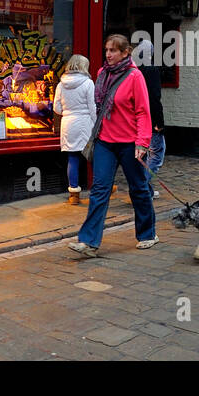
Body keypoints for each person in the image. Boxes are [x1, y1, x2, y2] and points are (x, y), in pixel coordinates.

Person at [68, 34, 157, 256]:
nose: (108, 54)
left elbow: (143, 112)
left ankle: (147, 234)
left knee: (138, 189)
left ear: (126, 52)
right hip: (105, 141)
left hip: (129, 143)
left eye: (113, 51)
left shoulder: (135, 77)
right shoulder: (101, 74)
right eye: (106, 50)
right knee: (99, 190)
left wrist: (142, 142)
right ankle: (88, 242)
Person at [54, 54, 96, 206]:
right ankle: (102, 187)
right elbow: (92, 107)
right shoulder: (88, 83)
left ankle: (74, 195)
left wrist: (68, 111)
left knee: (72, 158)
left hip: (68, 124)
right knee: (92, 156)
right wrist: (97, 124)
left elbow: (56, 108)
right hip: (85, 122)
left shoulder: (61, 84)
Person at [135, 39, 167, 197]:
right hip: (149, 119)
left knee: (143, 154)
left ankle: (145, 188)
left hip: (135, 120)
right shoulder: (151, 70)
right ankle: (141, 187)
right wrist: (159, 122)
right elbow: (154, 98)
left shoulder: (133, 71)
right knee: (157, 154)